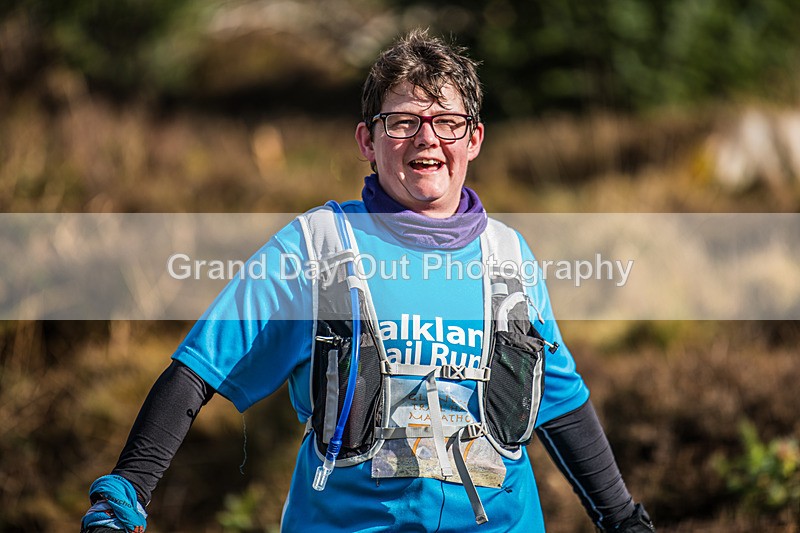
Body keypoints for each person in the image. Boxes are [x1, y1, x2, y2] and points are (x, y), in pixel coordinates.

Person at [81, 29, 655, 533]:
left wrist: (624, 520)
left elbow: (559, 404)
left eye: (447, 123)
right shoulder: (314, 247)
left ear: (474, 139)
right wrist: (123, 496)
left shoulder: (511, 257)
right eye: (402, 122)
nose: (427, 138)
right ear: (367, 141)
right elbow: (198, 370)